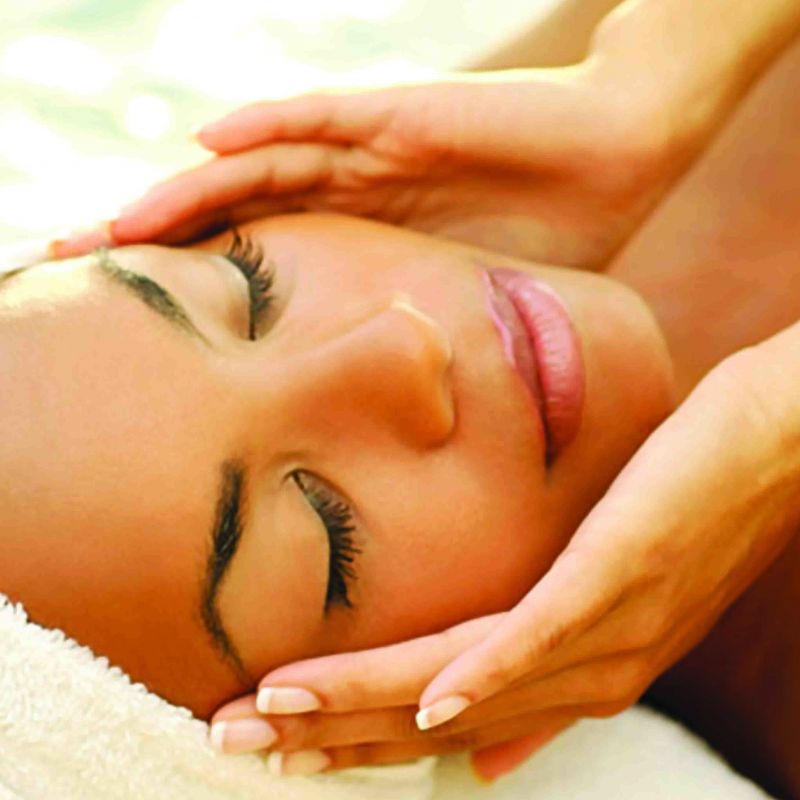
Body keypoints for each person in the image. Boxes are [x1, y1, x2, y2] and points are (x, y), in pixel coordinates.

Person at [47, 0, 800, 792]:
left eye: (249, 290)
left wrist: (648, 81)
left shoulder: (500, 173)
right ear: (366, 717)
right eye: (326, 529)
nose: (403, 342)